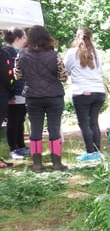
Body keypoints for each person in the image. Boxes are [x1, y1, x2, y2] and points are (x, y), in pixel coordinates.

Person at [14, 26, 68, 172]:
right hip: (54, 96)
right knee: (54, 129)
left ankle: (37, 164)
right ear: (46, 37)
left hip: (33, 97)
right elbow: (63, 76)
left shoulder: (21, 54)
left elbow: (17, 75)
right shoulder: (54, 55)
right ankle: (57, 163)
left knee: (35, 129)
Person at [64, 27, 106, 162]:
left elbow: (65, 70)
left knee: (84, 123)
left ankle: (90, 152)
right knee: (94, 122)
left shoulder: (72, 53)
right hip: (99, 90)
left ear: (77, 38)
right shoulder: (98, 53)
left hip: (82, 91)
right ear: (91, 37)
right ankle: (97, 151)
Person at [2, 29, 29, 164]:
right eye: (24, 36)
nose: (26, 39)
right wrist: (11, 94)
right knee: (13, 121)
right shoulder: (6, 52)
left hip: (23, 91)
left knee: (20, 120)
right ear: (17, 38)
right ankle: (13, 149)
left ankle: (21, 146)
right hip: (13, 93)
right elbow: (9, 75)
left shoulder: (19, 52)